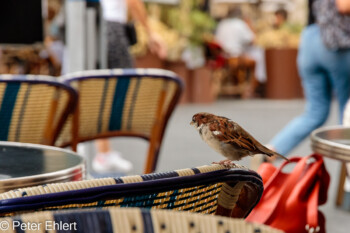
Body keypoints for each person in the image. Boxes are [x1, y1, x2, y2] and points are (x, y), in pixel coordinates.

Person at [268, 0, 350, 156]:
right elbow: (344, 5)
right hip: (336, 44)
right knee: (347, 112)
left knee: (315, 112)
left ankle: (270, 152)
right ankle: (347, 173)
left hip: (310, 41)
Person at [93, 0, 166, 173]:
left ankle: (103, 151)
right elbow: (133, 2)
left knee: (100, 88)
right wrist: (150, 32)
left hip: (91, 26)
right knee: (117, 88)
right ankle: (102, 153)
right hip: (111, 28)